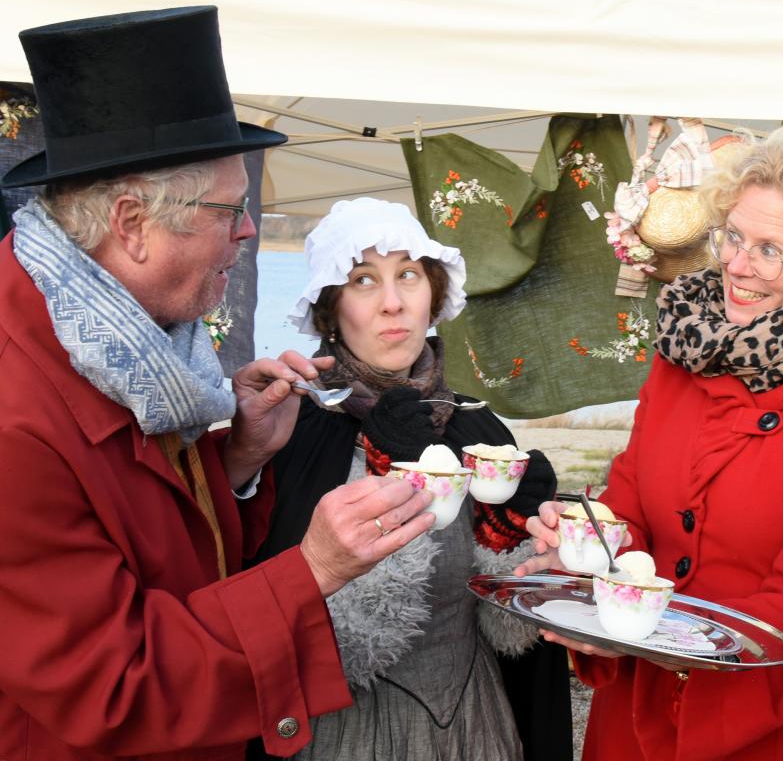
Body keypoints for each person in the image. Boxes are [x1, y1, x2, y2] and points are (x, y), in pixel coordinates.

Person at [0, 8, 435, 760]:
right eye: (230, 211)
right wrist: (313, 571)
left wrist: (234, 461)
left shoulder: (124, 342)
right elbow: (113, 687)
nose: (249, 230)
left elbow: (148, 544)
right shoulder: (15, 413)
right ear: (131, 223)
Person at [519, 127, 783, 760]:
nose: (736, 264)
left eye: (769, 249)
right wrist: (587, 557)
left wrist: (658, 636)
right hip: (637, 714)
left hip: (777, 717)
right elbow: (630, 507)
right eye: (732, 236)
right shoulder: (680, 356)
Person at [245, 196, 573, 761]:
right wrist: (398, 476)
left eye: (408, 275)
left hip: (477, 731)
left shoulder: (479, 427)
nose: (393, 303)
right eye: (364, 280)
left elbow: (513, 632)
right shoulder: (292, 430)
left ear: (434, 295)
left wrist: (522, 543)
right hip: (341, 738)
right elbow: (278, 628)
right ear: (331, 307)